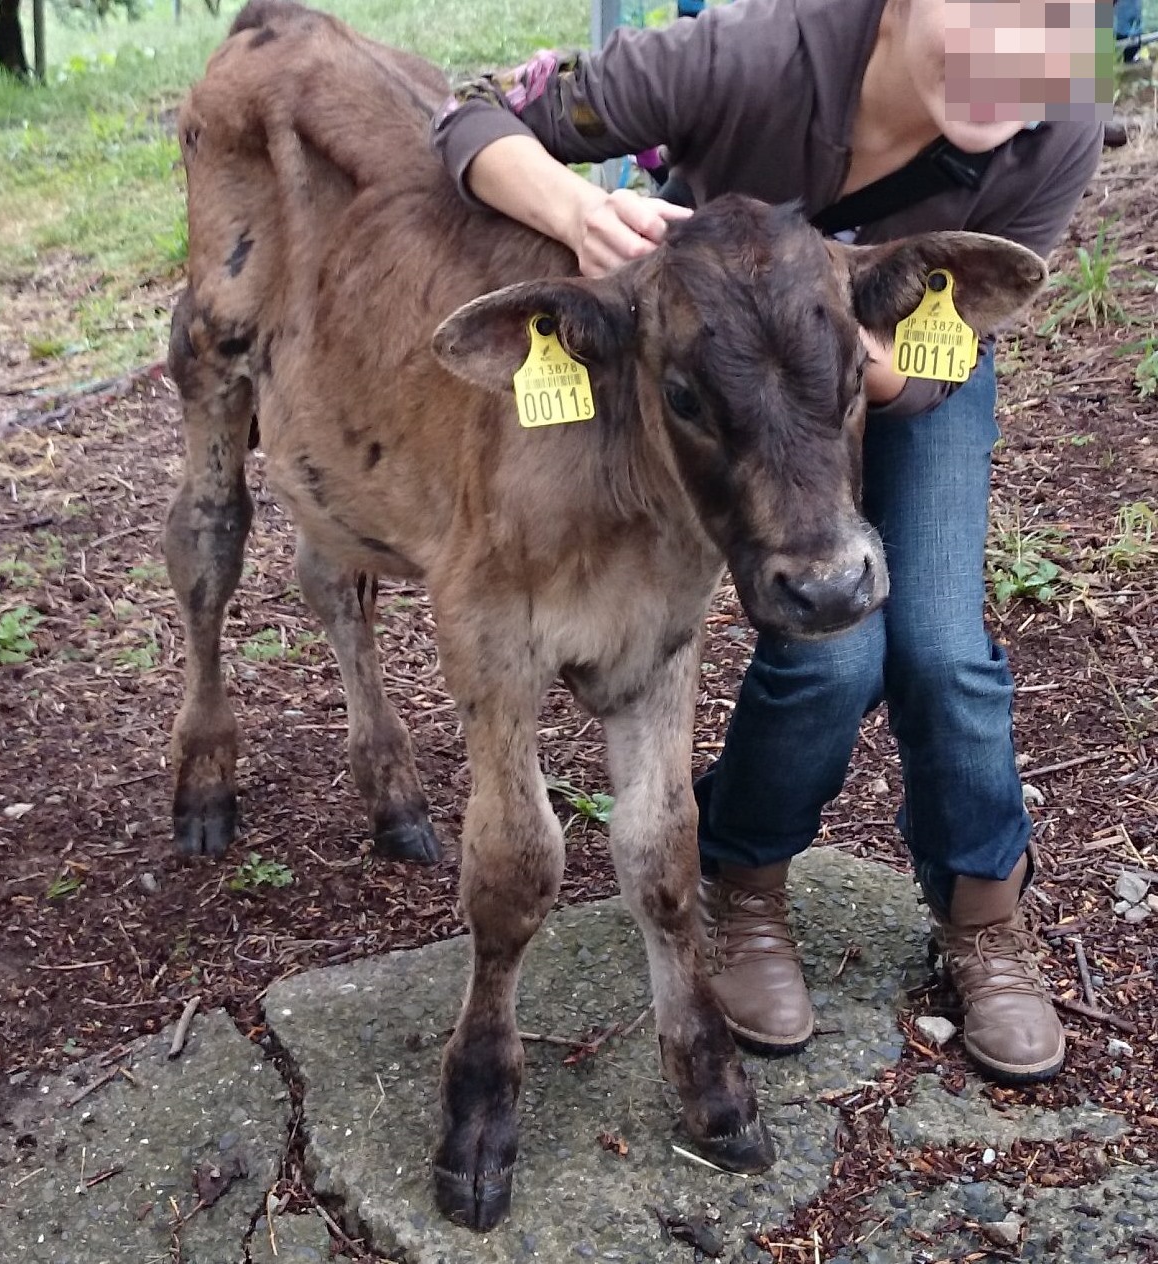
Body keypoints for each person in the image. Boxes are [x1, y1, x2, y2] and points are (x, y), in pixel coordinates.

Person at [432, 0, 1103, 1084]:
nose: (1014, 47)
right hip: (717, 384)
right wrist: (575, 209)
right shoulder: (745, 57)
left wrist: (846, 352)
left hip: (879, 374)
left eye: (1055, 13)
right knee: (826, 655)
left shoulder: (1056, 123)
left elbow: (946, 350)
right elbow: (471, 115)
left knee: (936, 643)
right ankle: (743, 887)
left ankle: (984, 916)